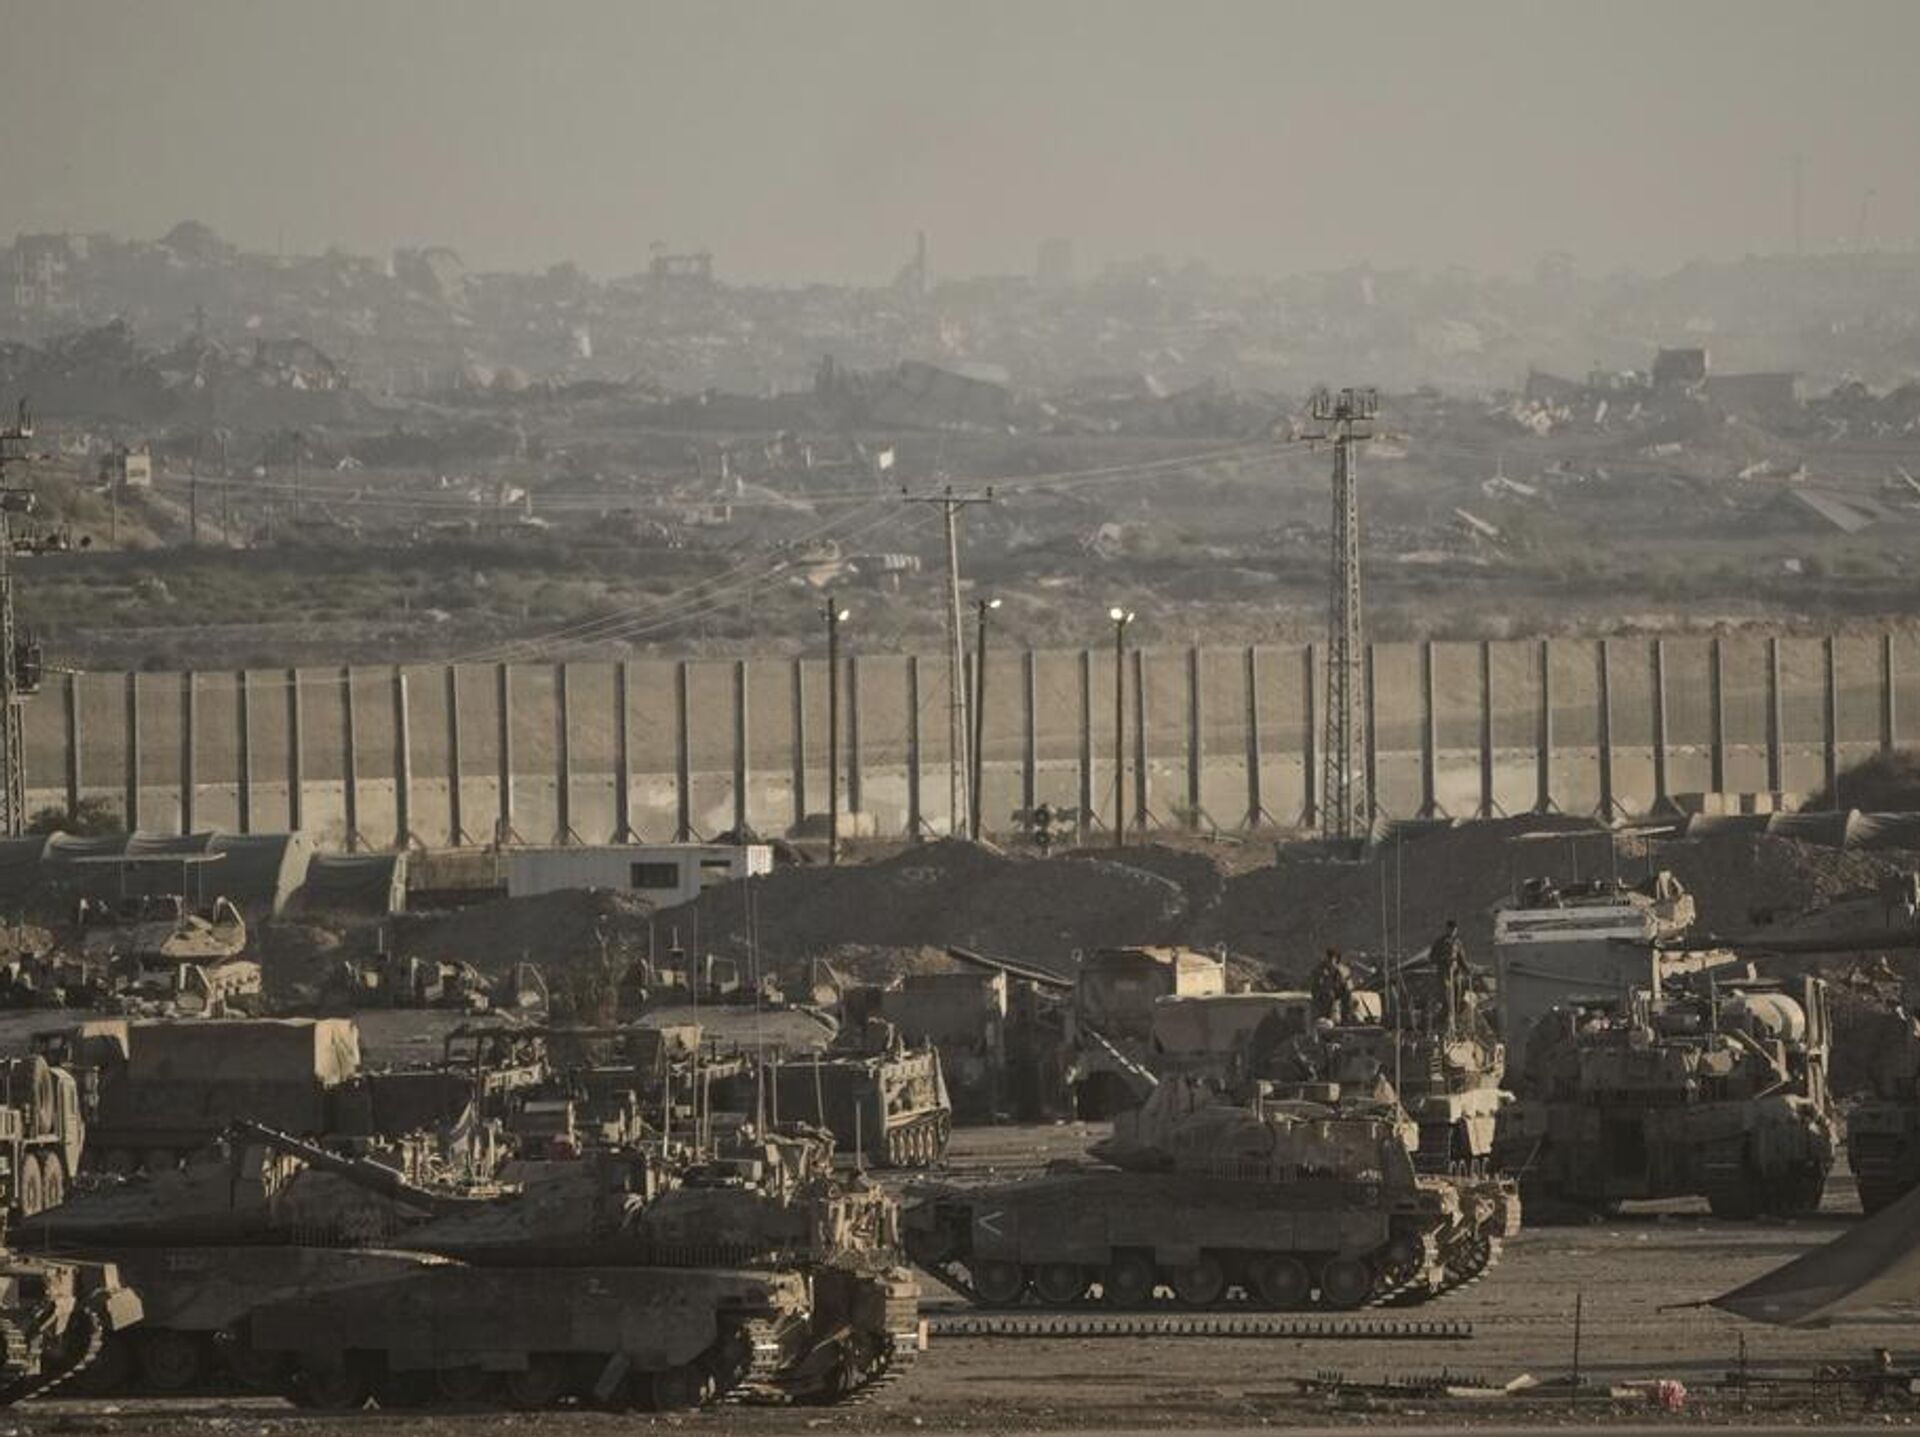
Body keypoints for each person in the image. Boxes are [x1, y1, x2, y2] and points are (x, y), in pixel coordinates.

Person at [1429, 918, 1471, 1030]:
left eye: (1454, 930)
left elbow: (1461, 959)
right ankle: (1442, 1022)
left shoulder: (1457, 943)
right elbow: (1432, 958)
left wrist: (1467, 970)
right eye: (1451, 929)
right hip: (1443, 974)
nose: (1452, 932)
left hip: (1455, 974)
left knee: (1458, 997)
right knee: (1446, 999)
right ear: (1447, 929)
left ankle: (1455, 1021)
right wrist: (1443, 959)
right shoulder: (1439, 942)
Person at [1310, 946, 1355, 1025]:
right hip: (1323, 997)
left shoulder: (1342, 970)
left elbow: (1348, 987)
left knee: (1347, 996)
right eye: (1329, 959)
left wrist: (1343, 980)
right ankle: (1326, 1017)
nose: (1331, 962)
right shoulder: (1320, 970)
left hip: (1338, 994)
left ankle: (1346, 1018)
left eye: (1333, 959)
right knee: (1328, 995)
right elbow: (1316, 987)